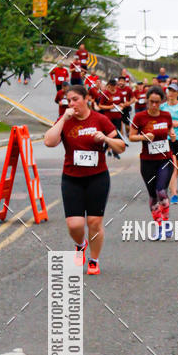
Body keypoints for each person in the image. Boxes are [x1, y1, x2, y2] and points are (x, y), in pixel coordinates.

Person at [43, 84, 125, 275]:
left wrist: (105, 139)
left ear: (86, 98)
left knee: (94, 222)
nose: (72, 104)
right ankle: (80, 245)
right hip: (72, 178)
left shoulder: (100, 119)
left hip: (98, 177)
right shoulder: (65, 120)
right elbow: (49, 142)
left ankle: (94, 260)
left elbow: (121, 146)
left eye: (75, 99)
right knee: (75, 224)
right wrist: (63, 118)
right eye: (68, 100)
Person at [129, 85, 176, 229]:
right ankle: (159, 224)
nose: (154, 105)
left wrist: (172, 135)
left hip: (164, 159)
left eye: (157, 102)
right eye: (151, 102)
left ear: (162, 101)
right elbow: (131, 137)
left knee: (161, 191)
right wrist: (143, 137)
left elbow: (170, 130)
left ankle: (166, 221)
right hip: (147, 161)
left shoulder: (166, 116)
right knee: (153, 195)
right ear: (147, 101)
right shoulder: (140, 117)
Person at [97, 79, 124, 156]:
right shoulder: (106, 94)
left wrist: (122, 105)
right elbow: (100, 105)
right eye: (111, 86)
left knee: (116, 133)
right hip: (108, 117)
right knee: (109, 134)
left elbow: (122, 102)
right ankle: (105, 149)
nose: (113, 88)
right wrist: (110, 107)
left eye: (114, 86)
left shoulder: (119, 93)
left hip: (118, 116)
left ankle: (115, 151)